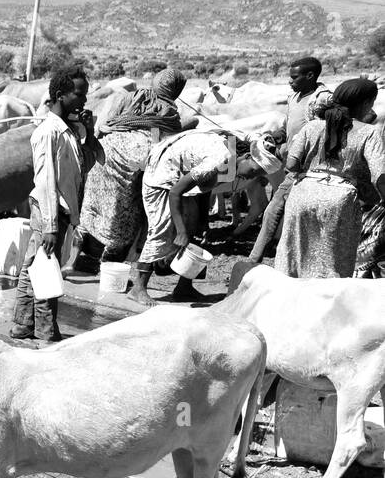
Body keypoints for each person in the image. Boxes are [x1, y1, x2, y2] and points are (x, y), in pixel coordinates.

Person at [11, 67, 100, 342]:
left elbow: (88, 163)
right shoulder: (48, 132)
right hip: (48, 212)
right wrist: (50, 226)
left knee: (33, 268)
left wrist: (90, 131)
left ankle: (23, 325)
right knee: (47, 271)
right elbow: (46, 181)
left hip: (56, 212)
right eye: (79, 93)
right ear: (61, 95)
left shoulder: (70, 131)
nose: (84, 99)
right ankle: (46, 331)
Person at [274, 78, 385, 278]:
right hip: (340, 201)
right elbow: (380, 175)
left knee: (294, 257)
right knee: (333, 262)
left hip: (302, 195)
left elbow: (291, 164)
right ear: (368, 103)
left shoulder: (313, 126)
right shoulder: (369, 132)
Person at [78, 68, 188, 263]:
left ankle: (72, 261)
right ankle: (110, 266)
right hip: (134, 163)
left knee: (90, 207)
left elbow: (105, 125)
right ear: (177, 90)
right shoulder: (169, 111)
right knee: (125, 215)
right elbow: (163, 143)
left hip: (105, 152)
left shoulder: (129, 97)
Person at [129, 129, 240, 305]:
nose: (251, 177)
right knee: (161, 230)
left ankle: (183, 288)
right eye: (253, 171)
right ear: (248, 157)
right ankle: (138, 288)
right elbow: (175, 192)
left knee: (193, 229)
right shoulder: (219, 159)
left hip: (179, 178)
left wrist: (203, 221)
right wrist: (180, 231)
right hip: (161, 179)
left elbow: (203, 187)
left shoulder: (230, 156)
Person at [245, 56, 334, 260]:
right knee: (274, 209)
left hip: (314, 169)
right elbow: (289, 126)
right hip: (293, 167)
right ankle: (257, 256)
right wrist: (277, 136)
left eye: (294, 77)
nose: (290, 81)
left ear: (310, 76)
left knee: (292, 211)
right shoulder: (294, 97)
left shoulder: (323, 99)